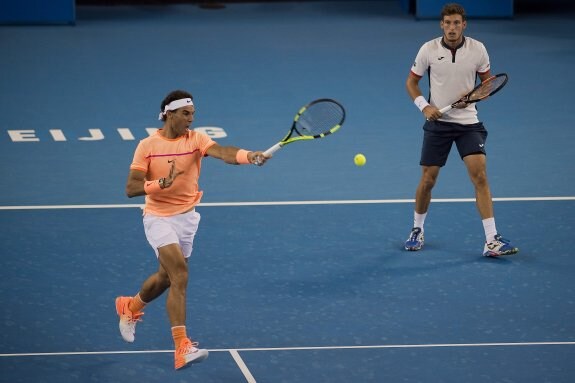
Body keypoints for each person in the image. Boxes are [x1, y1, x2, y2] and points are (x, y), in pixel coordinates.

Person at [115, 89, 269, 370]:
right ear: (169, 113)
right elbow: (131, 188)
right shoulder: (147, 145)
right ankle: (182, 347)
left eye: (193, 114)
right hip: (157, 217)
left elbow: (223, 152)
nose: (191, 118)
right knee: (180, 276)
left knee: (165, 278)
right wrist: (160, 184)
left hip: (187, 218)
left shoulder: (196, 139)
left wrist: (249, 156)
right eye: (186, 113)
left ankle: (131, 306)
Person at [404, 3, 518, 257]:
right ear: (441, 25)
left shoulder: (478, 50)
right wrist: (424, 107)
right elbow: (411, 82)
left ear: (464, 25)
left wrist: (476, 96)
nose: (452, 28)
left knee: (480, 176)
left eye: (457, 23)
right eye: (448, 23)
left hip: (468, 123)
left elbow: (487, 84)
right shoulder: (428, 50)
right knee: (428, 180)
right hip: (439, 124)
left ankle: (492, 239)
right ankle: (417, 229)